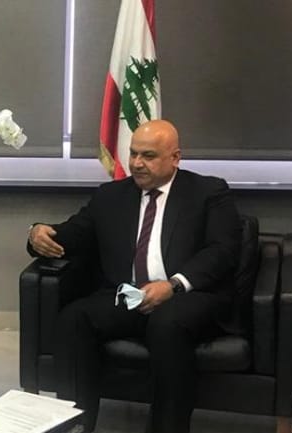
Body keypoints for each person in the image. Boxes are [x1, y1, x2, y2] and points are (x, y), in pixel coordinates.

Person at [27, 119, 241, 433]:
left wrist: (173, 285)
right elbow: (72, 234)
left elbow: (222, 251)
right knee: (75, 319)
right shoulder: (111, 195)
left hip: (187, 297)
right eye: (133, 154)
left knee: (167, 324)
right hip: (129, 295)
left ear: (175, 158)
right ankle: (75, 426)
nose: (137, 163)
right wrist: (38, 232)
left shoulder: (207, 192)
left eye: (148, 156)